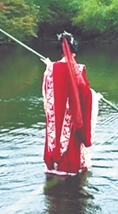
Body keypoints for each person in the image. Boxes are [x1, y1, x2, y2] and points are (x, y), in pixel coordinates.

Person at [42, 32, 98, 175]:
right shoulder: (79, 69)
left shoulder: (51, 69)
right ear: (74, 51)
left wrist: (49, 66)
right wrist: (95, 97)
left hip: (57, 117)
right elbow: (85, 93)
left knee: (55, 131)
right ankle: (71, 167)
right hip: (72, 116)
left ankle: (53, 165)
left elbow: (47, 93)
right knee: (72, 138)